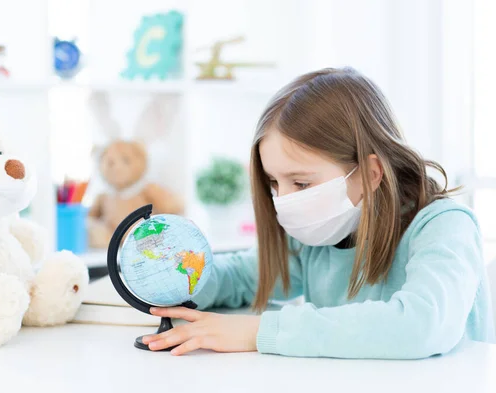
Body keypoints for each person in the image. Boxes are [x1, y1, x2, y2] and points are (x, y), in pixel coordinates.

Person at [142, 67, 495, 358]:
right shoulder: (321, 237)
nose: (283, 200)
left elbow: (421, 326)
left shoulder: (444, 226)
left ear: (371, 174)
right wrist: (170, 270)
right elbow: (240, 278)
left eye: (302, 184)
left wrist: (259, 331)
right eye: (274, 183)